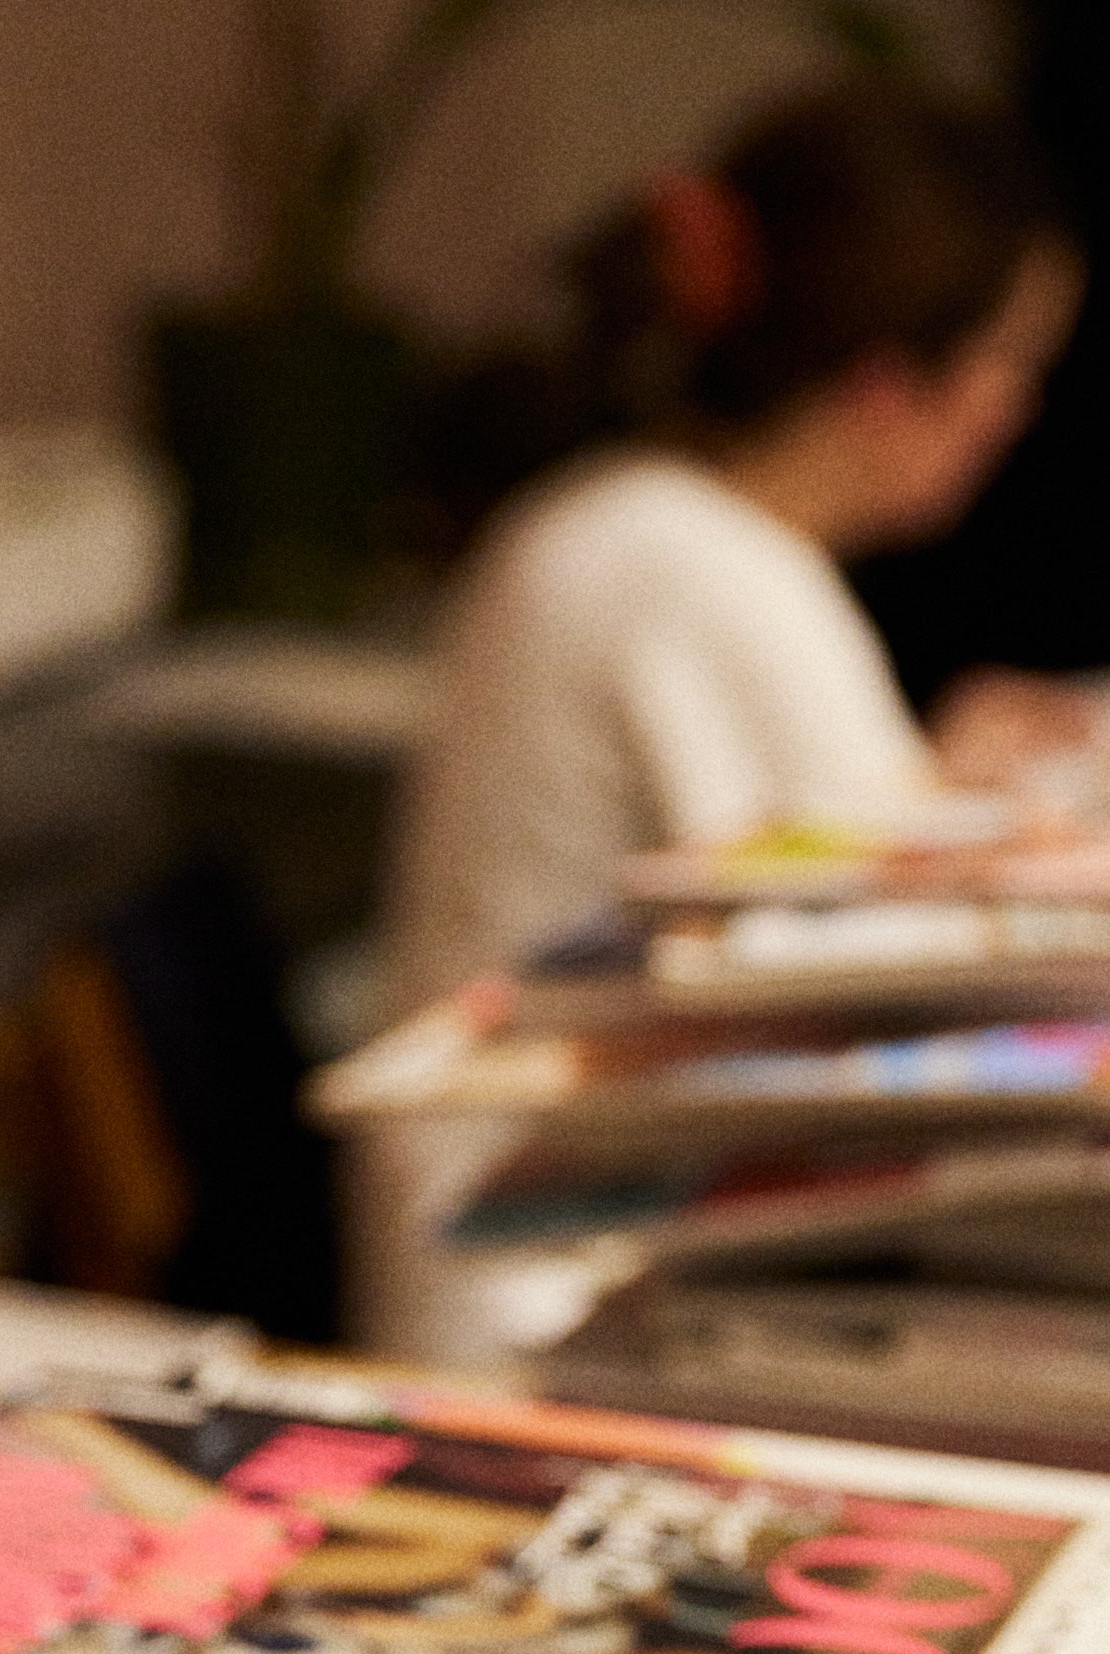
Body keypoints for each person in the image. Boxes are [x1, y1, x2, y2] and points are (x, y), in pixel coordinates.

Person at [356, 82, 1084, 1351]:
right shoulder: (703, 576)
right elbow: (884, 978)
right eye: (1005, 366)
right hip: (542, 1308)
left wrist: (942, 784)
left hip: (531, 1258)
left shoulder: (622, 516)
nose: (1014, 412)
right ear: (885, 381)